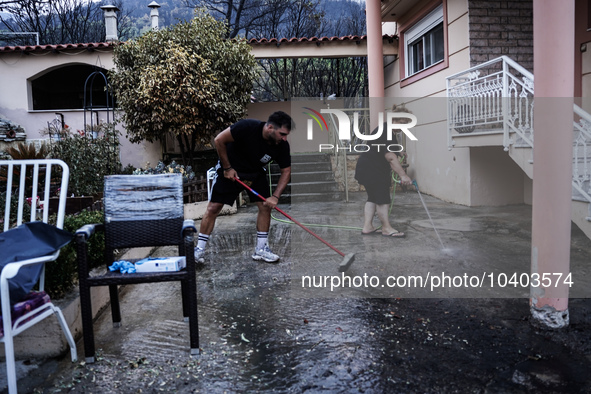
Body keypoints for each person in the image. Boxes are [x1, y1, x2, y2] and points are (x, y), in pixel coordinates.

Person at [194, 111, 294, 263]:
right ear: (270, 128)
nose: (285, 138)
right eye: (282, 134)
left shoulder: (281, 145)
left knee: (265, 206)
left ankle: (261, 249)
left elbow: (286, 171)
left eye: (286, 135)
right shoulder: (247, 127)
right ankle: (199, 251)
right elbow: (219, 140)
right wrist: (227, 168)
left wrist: (275, 196)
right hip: (230, 170)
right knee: (214, 208)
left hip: (256, 173)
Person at [355, 110, 413, 237]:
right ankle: (386, 228)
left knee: (373, 198)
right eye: (402, 123)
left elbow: (387, 148)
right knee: (382, 199)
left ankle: (368, 227)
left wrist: (399, 152)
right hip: (373, 170)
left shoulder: (386, 130)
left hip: (366, 168)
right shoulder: (386, 132)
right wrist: (403, 175)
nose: (403, 127)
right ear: (394, 120)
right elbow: (390, 157)